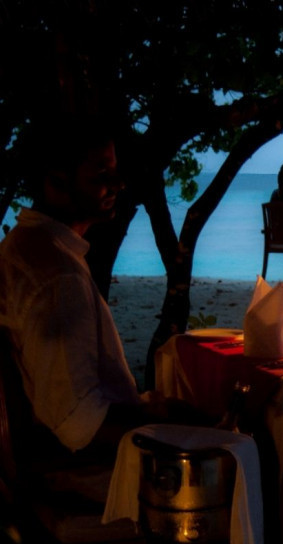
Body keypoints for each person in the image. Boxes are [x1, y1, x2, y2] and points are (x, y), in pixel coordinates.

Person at [0, 113, 212, 478]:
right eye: (101, 174)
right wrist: (163, 428)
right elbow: (80, 426)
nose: (118, 183)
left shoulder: (24, 248)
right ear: (56, 182)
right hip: (80, 475)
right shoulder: (57, 278)